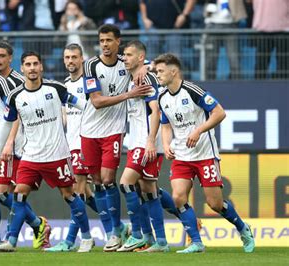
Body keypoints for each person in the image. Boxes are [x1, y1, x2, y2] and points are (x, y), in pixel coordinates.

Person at [0, 51, 94, 253]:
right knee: (19, 194)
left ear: (41, 67)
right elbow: (5, 124)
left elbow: (83, 105)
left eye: (35, 64)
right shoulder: (15, 96)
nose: (32, 68)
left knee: (69, 195)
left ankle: (88, 238)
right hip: (31, 156)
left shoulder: (55, 88)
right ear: (22, 68)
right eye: (28, 64)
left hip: (57, 155)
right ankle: (11, 241)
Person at [155, 53, 255, 253]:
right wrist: (166, 145)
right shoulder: (162, 97)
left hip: (205, 154)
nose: (157, 75)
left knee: (215, 203)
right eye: (156, 71)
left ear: (173, 71)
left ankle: (243, 228)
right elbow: (165, 125)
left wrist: (198, 130)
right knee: (178, 197)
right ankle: (197, 242)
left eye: (160, 71)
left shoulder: (192, 90)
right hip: (182, 155)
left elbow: (219, 112)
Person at [0, 48, 50, 252]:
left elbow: (17, 114)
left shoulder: (7, 83)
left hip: (8, 148)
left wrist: (9, 142)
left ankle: (37, 225)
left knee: (3, 194)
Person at [81, 24, 152, 252]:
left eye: (109, 40)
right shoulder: (91, 65)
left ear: (117, 41)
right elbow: (97, 102)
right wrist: (129, 94)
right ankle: (116, 229)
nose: (105, 44)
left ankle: (113, 234)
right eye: (101, 40)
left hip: (113, 130)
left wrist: (146, 66)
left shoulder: (125, 61)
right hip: (89, 130)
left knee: (109, 178)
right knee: (98, 182)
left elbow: (144, 62)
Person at [44, 43, 99, 252]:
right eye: (67, 57)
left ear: (82, 58)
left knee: (75, 191)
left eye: (74, 57)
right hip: (71, 145)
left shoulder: (90, 82)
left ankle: (71, 240)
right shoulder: (65, 85)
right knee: (83, 192)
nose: (70, 61)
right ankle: (118, 226)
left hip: (86, 143)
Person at [117, 40, 169, 252]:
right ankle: (160, 241)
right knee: (148, 190)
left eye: (129, 55)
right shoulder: (134, 76)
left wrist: (149, 141)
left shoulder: (145, 78)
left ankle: (138, 234)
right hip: (137, 140)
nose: (125, 59)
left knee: (126, 184)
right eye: (124, 55)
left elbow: (155, 110)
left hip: (144, 142)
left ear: (140, 57)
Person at [204, 0, 247, 80]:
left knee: (234, 59)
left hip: (231, 23)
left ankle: (238, 86)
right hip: (212, 23)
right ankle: (208, 86)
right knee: (210, 60)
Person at [251, 0, 289, 79]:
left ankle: (257, 86)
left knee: (262, 62)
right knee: (282, 62)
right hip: (279, 27)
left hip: (276, 28)